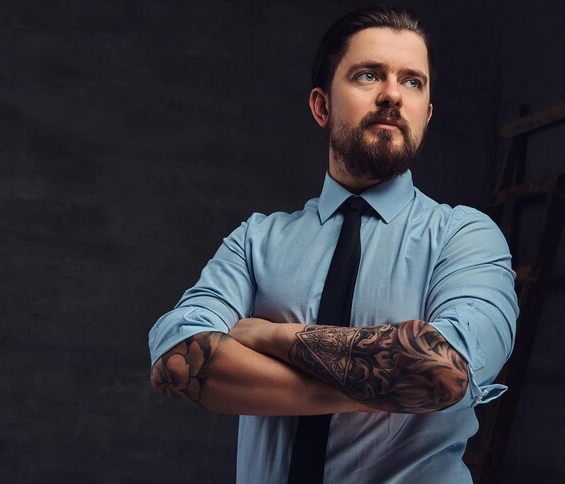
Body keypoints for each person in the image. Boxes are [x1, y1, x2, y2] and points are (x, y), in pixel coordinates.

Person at [148, 6, 518, 483]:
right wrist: (391, 385)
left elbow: (447, 370)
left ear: (425, 115)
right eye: (368, 75)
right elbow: (178, 357)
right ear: (322, 106)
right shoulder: (254, 241)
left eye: (412, 82)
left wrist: (268, 337)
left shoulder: (466, 236)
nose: (391, 94)